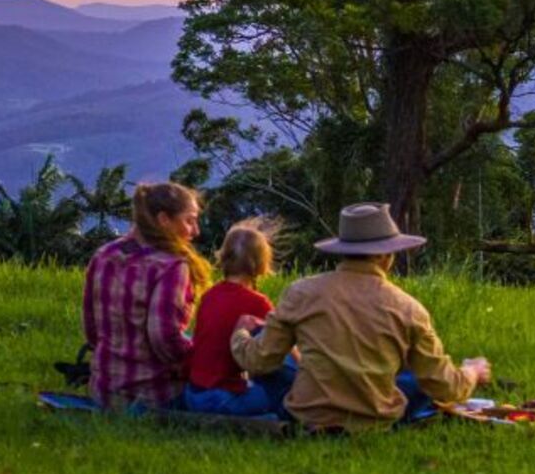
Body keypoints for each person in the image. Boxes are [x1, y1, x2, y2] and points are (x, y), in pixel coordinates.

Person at [234, 202, 492, 434]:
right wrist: (472, 371)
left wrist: (240, 335)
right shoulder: (408, 308)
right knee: (418, 381)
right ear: (384, 255)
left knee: (265, 339)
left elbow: (260, 361)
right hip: (376, 419)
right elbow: (445, 387)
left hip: (308, 414)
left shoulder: (301, 292)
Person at [81, 179, 214, 410]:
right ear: (164, 220)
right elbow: (164, 337)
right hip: (154, 396)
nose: (195, 231)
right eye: (189, 221)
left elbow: (92, 328)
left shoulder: (103, 255)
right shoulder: (171, 266)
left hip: (104, 391)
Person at [181, 217, 290, 416]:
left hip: (193, 394)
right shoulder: (257, 303)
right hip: (222, 398)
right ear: (260, 263)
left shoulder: (209, 296)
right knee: (283, 386)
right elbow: (276, 348)